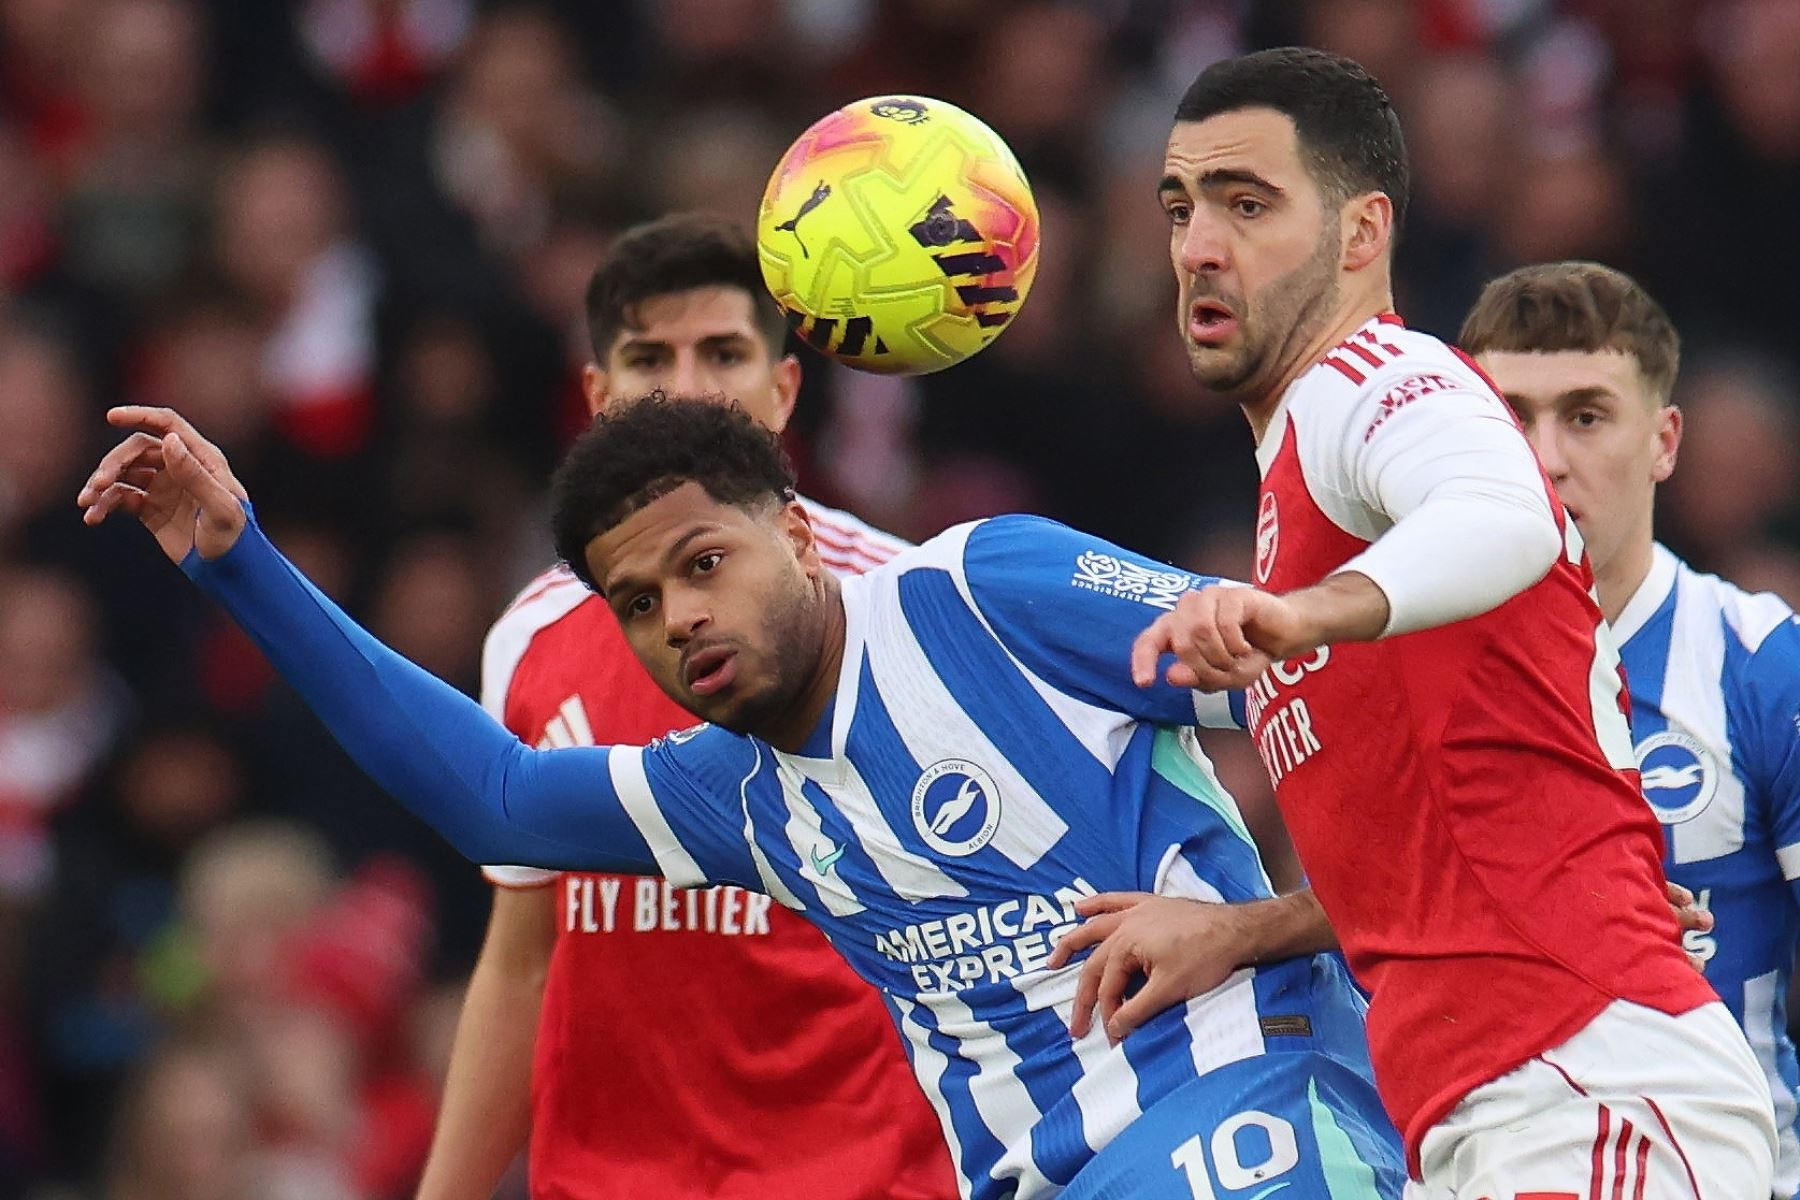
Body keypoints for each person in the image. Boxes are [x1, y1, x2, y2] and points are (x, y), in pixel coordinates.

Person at [79, 395, 1408, 1200]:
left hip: (1250, 1112)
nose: (682, 619)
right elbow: (493, 795)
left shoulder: (984, 595)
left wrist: (1259, 925)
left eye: (705, 560)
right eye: (641, 604)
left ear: (799, 525)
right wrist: (241, 562)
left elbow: (1380, 711)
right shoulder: (741, 798)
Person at [1094, 46, 1773, 1197]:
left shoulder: (1371, 377)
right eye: (1180, 207)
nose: (1198, 246)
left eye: (1247, 204)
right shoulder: (1304, 474)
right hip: (1507, 1098)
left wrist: (1301, 611)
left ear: (1362, 235)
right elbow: (1441, 853)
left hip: (1581, 1080)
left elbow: (1503, 513)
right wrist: (1246, 931)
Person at [415, 215, 956, 1200]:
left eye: (724, 353)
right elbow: (522, 967)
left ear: (784, 391)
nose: (689, 387)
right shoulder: (530, 637)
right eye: (648, 357)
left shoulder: (905, 608)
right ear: (597, 398)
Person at [1461, 261, 1800, 1198]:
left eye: (1585, 415)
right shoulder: (1407, 668)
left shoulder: (1760, 665)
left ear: (1663, 441)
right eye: (1510, 418)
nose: (1545, 458)